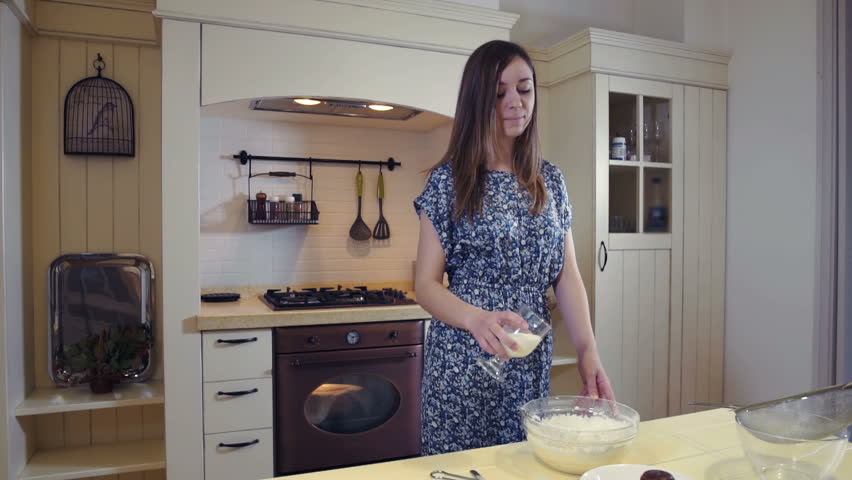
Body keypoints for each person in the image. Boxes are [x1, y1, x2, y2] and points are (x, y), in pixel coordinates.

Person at [413, 40, 615, 456]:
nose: (514, 102)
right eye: (498, 92)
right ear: (476, 100)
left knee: (524, 464)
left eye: (524, 89)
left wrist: (587, 351)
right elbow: (426, 285)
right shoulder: (449, 181)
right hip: (464, 364)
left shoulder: (550, 181)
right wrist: (476, 319)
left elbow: (567, 275)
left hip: (527, 362)